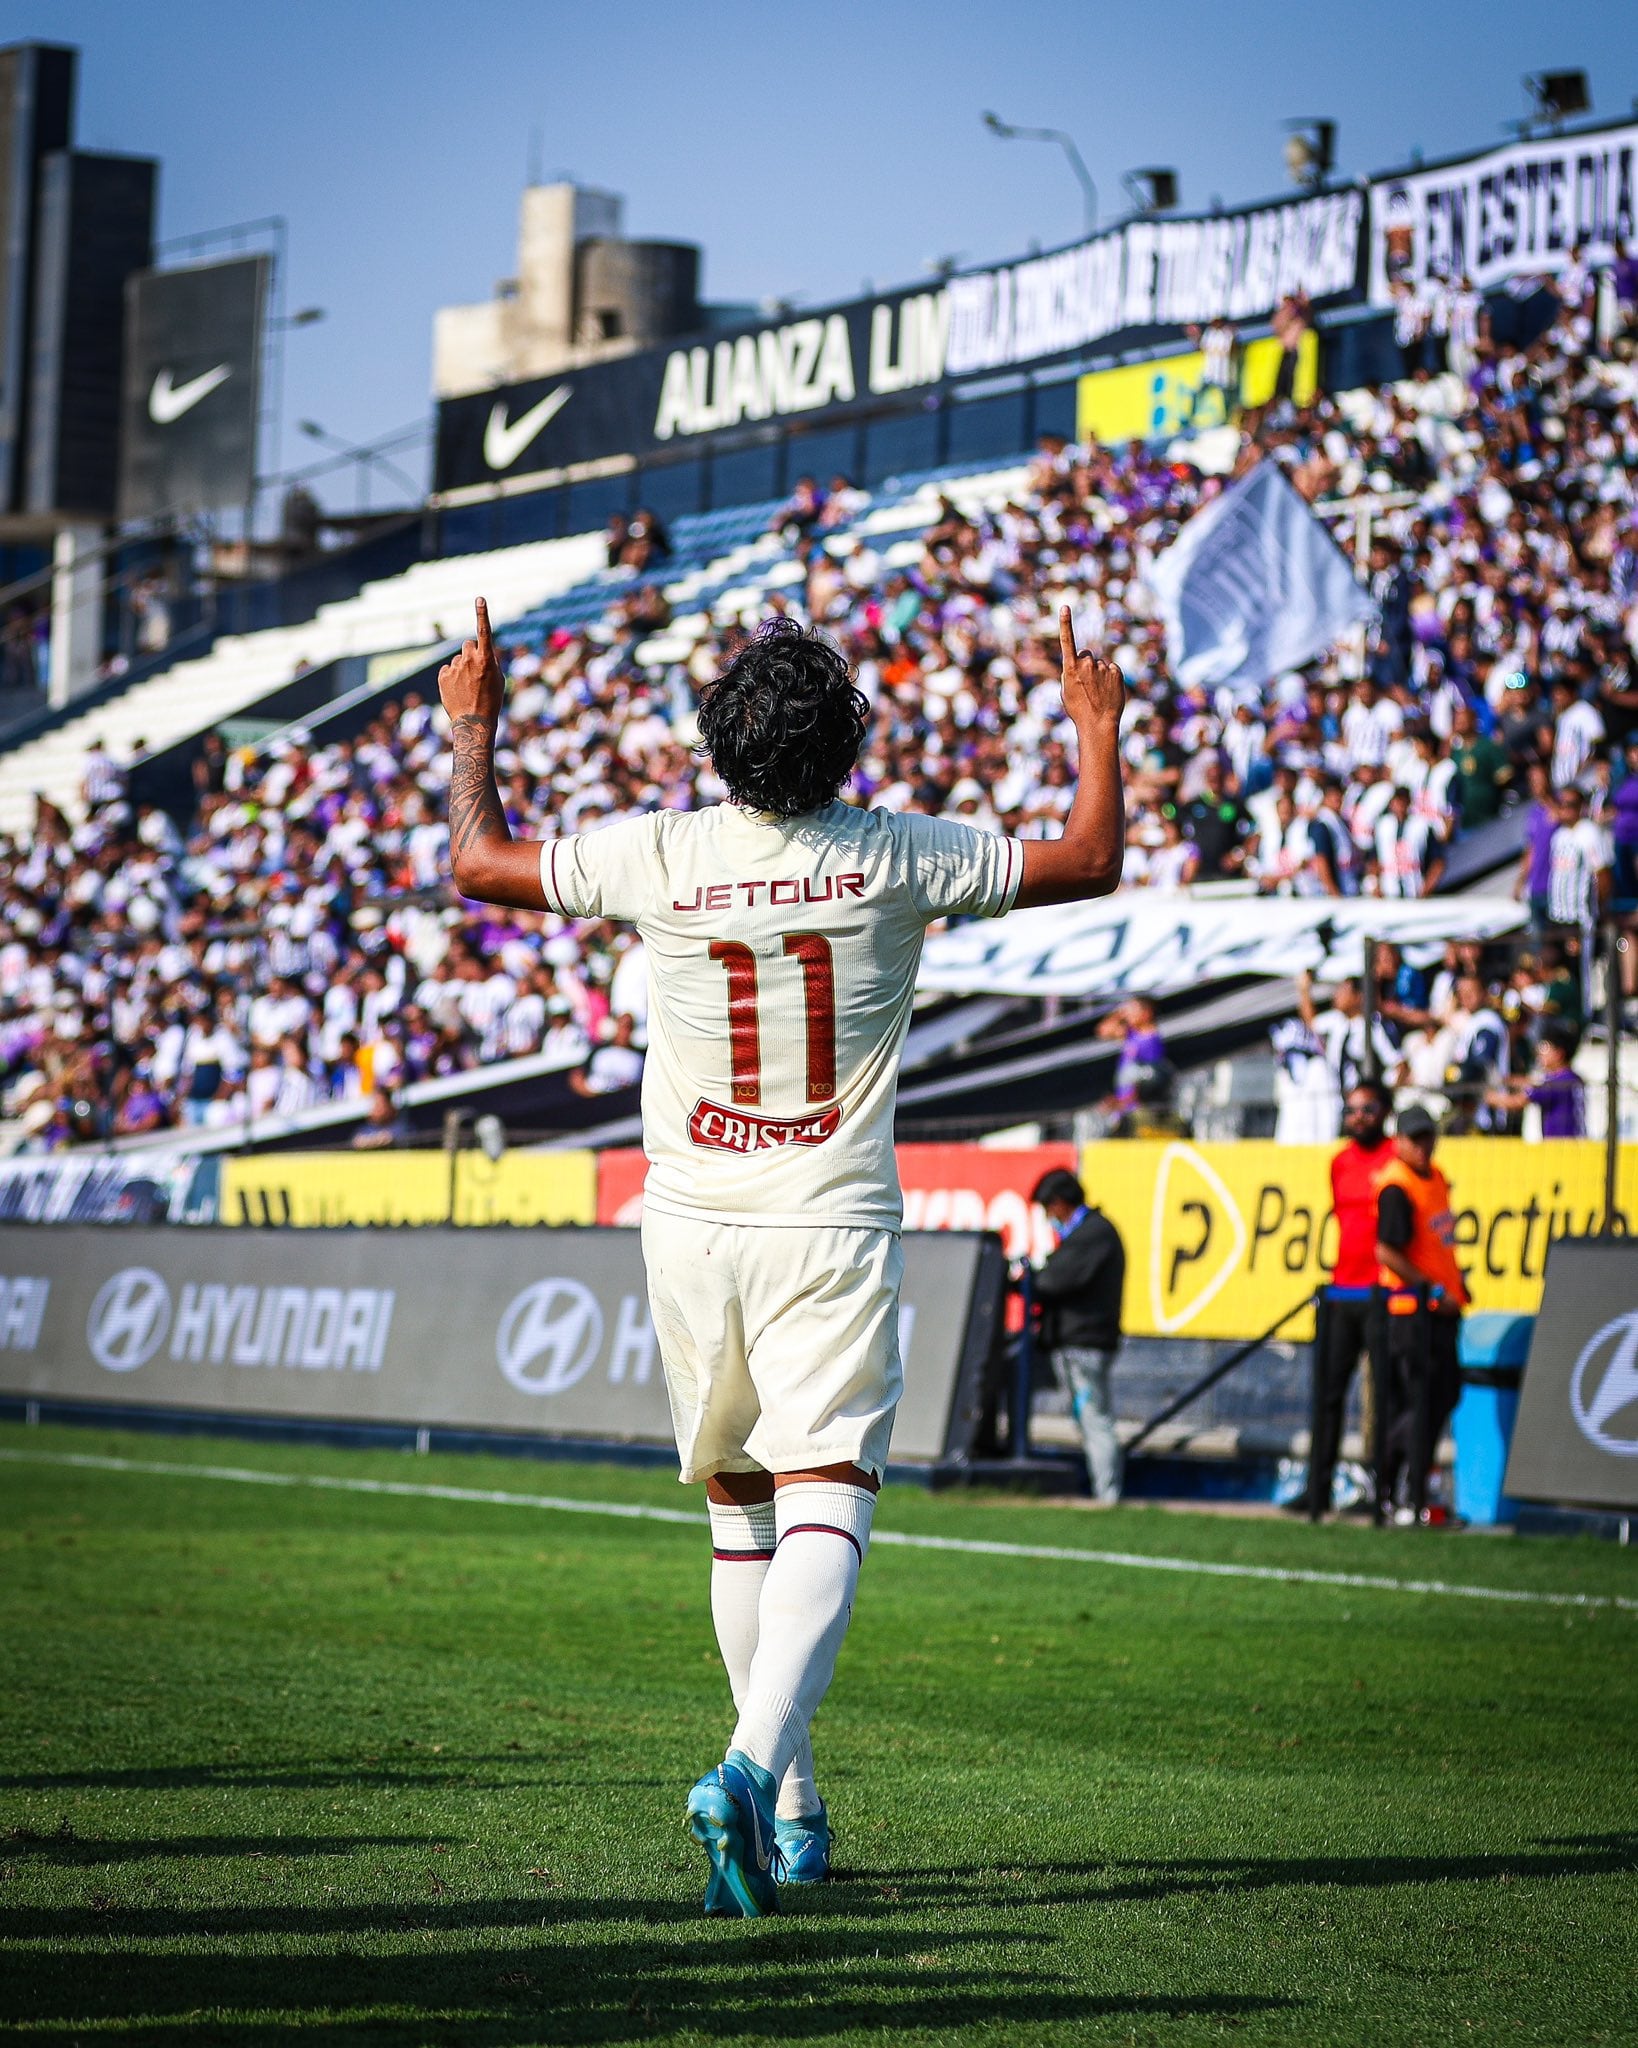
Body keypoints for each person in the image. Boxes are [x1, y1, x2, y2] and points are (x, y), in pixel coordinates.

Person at [437, 595, 1124, 1917]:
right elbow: (1088, 858)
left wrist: (475, 728)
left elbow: (477, 863)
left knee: (739, 1515)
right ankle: (752, 1773)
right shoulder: (895, 853)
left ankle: (797, 1810)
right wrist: (1092, 728)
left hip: (690, 1221)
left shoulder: (660, 853)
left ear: (717, 745)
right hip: (825, 1214)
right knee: (830, 1498)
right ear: (846, 748)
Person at [1373, 1104, 1469, 1524]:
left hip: (1441, 1309)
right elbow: (1387, 1251)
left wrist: (1455, 1283)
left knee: (1442, 1396)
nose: (1423, 1145)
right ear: (1399, 1142)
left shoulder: (1436, 1177)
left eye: (1427, 1136)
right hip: (1413, 1311)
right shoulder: (1397, 1185)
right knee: (1417, 1403)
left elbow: (1437, 1244)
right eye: (1414, 1138)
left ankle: (1411, 1488)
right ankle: (1397, 1490)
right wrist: (1431, 1289)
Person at [1305, 1082, 1394, 1521]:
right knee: (1327, 1395)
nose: (1358, 1116)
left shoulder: (1397, 1159)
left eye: (1367, 1108)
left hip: (1383, 1294)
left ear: (1384, 1112)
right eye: (1352, 1109)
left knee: (1385, 1398)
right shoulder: (1339, 1162)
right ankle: (1317, 1495)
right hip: (1342, 1294)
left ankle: (1385, 1495)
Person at [1029, 1169, 1126, 1504]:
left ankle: (1107, 1496)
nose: (1048, 1218)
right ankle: (1104, 1490)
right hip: (1081, 1343)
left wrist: (1030, 1280)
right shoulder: (1091, 1235)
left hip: (1085, 1345)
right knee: (1091, 1419)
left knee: (1095, 1420)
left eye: (1049, 1209)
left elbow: (1054, 1282)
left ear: (1059, 1203)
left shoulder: (1093, 1235)